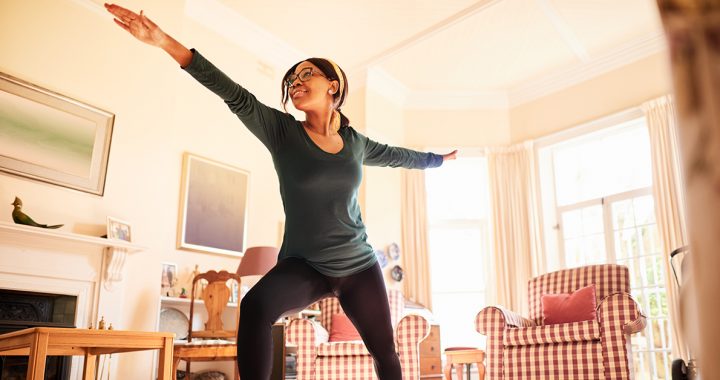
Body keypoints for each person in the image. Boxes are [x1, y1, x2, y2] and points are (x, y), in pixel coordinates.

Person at [104, 4, 457, 379]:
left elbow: (397, 156)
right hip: (306, 265)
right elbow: (233, 93)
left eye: (306, 74)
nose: (295, 83)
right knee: (255, 306)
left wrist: (438, 160)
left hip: (358, 265)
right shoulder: (282, 132)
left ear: (332, 85)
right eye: (290, 81)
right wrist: (163, 42)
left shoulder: (355, 142)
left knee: (385, 351)